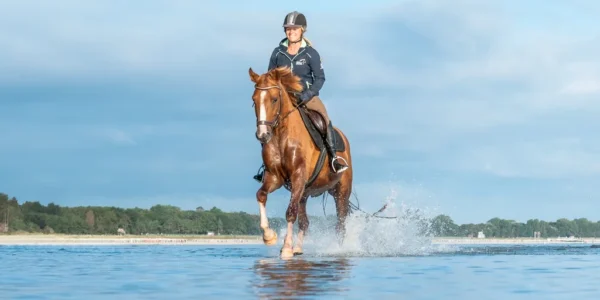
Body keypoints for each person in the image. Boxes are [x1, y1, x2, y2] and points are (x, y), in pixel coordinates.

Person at [253, 11, 349, 183]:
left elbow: (320, 78)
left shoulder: (311, 54)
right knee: (266, 123)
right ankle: (266, 165)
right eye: (288, 29)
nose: (291, 32)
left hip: (307, 96)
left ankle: (334, 158)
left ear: (302, 30)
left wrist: (308, 94)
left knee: (323, 120)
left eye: (294, 29)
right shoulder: (277, 53)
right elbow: (269, 77)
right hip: (283, 99)